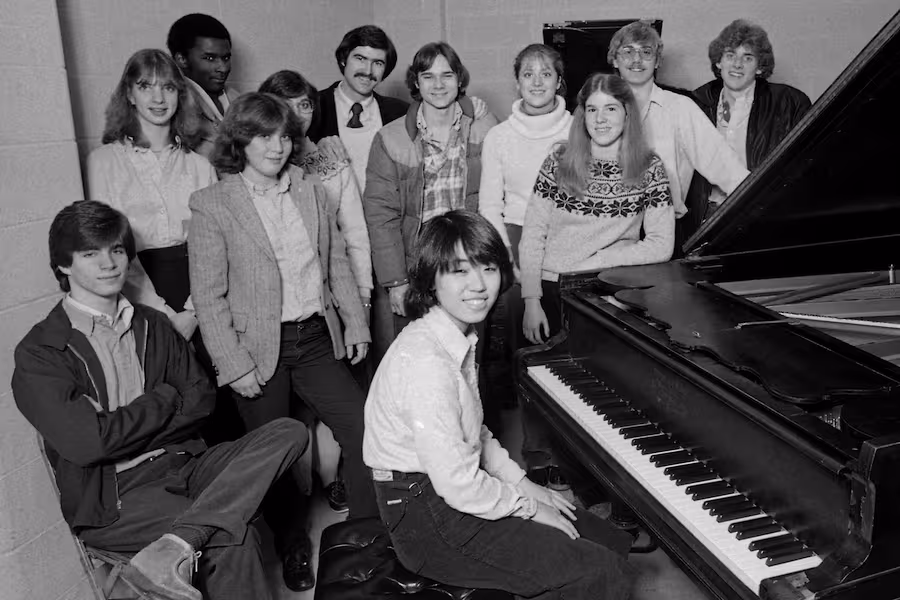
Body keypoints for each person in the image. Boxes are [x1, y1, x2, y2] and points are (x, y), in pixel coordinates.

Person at [12, 200, 308, 600]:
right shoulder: (41, 351)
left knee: (288, 432)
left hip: (184, 465)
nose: (109, 263)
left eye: (116, 250)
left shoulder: (153, 324)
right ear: (64, 265)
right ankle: (190, 537)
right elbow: (89, 443)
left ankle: (177, 544)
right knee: (235, 537)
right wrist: (167, 397)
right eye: (90, 253)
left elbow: (201, 401)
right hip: (114, 496)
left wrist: (119, 425)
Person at [363, 210, 635, 599]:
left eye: (488, 268)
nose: (478, 285)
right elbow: (457, 486)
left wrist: (525, 485)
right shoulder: (426, 364)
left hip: (444, 492)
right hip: (427, 518)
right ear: (431, 281)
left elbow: (476, 433)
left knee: (604, 538)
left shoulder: (454, 336)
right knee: (603, 572)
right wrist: (526, 506)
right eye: (459, 271)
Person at [188, 92, 376, 591]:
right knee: (275, 455)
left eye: (284, 136)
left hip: (315, 337)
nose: (276, 146)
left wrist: (355, 322)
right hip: (256, 351)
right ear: (240, 141)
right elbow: (208, 296)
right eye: (263, 136)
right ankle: (293, 545)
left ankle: (361, 535)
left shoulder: (310, 189)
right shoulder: (213, 204)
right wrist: (233, 364)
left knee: (363, 429)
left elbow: (334, 261)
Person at [259, 68, 373, 512]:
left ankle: (341, 481)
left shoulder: (328, 157)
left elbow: (353, 237)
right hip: (278, 319)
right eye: (285, 106)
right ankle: (299, 505)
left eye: (305, 105)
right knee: (288, 423)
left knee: (348, 410)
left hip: (333, 305)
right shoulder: (252, 168)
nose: (296, 116)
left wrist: (359, 305)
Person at [365, 41, 498, 359]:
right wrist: (396, 281)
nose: (438, 85)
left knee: (471, 360)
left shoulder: (484, 127)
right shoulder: (390, 139)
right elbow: (380, 215)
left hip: (470, 264)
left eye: (447, 75)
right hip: (417, 268)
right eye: (428, 76)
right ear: (415, 82)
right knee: (418, 361)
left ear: (460, 79)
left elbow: (498, 198)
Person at [520, 73, 674, 343]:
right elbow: (533, 235)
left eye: (610, 109)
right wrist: (532, 301)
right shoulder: (559, 162)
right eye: (592, 109)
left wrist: (596, 263)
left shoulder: (649, 167)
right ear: (583, 115)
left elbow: (662, 244)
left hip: (611, 287)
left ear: (627, 114)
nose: (600, 119)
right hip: (552, 287)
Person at [478, 43, 572, 440]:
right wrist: (508, 261)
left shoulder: (578, 128)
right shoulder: (499, 137)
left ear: (558, 81)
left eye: (546, 73)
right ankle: (539, 452)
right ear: (517, 81)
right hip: (516, 243)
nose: (537, 82)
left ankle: (574, 450)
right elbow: (489, 205)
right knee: (529, 350)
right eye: (528, 74)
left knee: (573, 348)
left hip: (570, 241)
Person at [87, 48, 214, 342]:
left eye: (168, 87)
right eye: (146, 86)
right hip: (135, 290)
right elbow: (110, 247)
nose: (158, 99)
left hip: (200, 293)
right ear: (129, 94)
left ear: (179, 95)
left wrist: (193, 313)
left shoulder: (200, 165)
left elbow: (214, 248)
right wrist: (165, 315)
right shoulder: (103, 162)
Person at [607, 20, 748, 250]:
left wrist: (766, 202)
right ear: (614, 59)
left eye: (646, 52)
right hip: (608, 230)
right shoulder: (599, 107)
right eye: (627, 51)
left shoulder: (681, 107)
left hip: (665, 232)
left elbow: (723, 165)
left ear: (657, 61)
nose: (636, 60)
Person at [689, 19, 812, 223]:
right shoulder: (697, 103)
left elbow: (803, 166)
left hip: (760, 214)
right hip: (707, 214)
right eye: (730, 56)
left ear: (760, 67)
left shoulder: (788, 103)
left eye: (747, 58)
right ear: (719, 63)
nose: (737, 64)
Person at [167, 13, 239, 159]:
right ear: (181, 59)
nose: (223, 68)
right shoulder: (171, 108)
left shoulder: (239, 99)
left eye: (226, 58)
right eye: (210, 58)